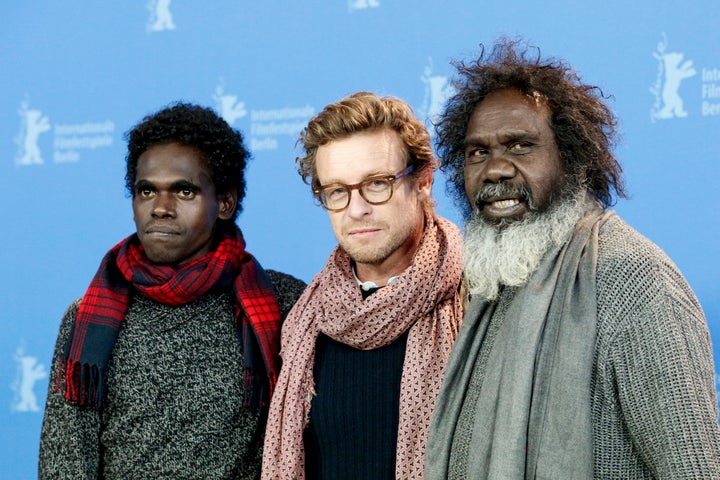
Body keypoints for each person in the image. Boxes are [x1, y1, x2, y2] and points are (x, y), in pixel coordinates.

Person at [425, 37, 720, 479]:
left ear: (573, 158)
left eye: (521, 146)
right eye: (477, 152)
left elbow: (694, 468)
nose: (495, 169)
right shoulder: (492, 283)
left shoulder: (633, 277)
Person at [38, 102, 307, 479]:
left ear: (225, 202)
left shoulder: (280, 301)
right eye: (146, 191)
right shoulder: (89, 317)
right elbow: (65, 463)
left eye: (183, 191)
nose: (160, 208)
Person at [261, 92, 464, 479]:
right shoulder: (306, 318)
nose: (356, 210)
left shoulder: (480, 300)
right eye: (337, 191)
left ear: (423, 181)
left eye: (376, 183)